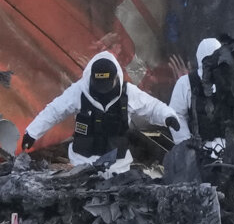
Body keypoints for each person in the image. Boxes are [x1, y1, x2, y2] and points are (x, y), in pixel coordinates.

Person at [21, 51, 180, 174]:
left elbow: (152, 107)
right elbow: (55, 111)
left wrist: (168, 116)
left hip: (119, 166)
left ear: (115, 79)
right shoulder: (79, 90)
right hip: (82, 164)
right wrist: (32, 133)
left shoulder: (128, 92)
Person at [167, 38, 224, 155]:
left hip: (228, 150)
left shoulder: (229, 81)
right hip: (199, 151)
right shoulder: (186, 83)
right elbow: (176, 115)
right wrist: (186, 145)